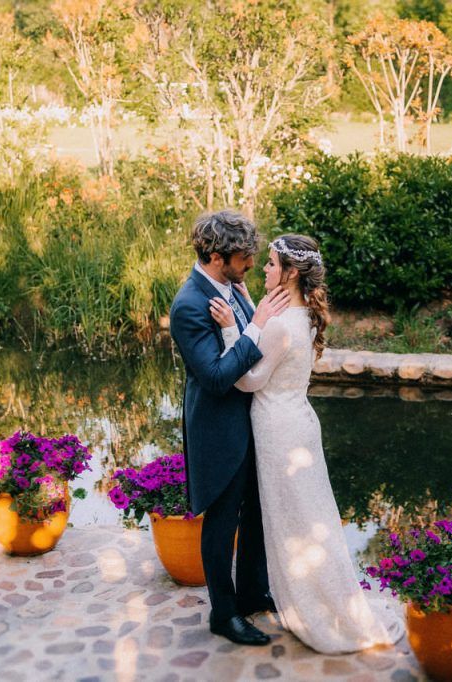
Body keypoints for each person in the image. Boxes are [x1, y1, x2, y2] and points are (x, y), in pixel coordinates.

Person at [210, 233, 405, 654]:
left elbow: (249, 379)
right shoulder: (306, 317)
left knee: (290, 522)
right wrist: (251, 315)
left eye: (272, 264)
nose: (263, 268)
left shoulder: (280, 324)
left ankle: (317, 610)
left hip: (277, 429)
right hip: (299, 422)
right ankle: (319, 597)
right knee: (310, 515)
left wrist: (231, 330)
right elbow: (270, 353)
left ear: (291, 273)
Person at [168, 210, 290, 646]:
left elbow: (250, 351)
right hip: (219, 429)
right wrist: (254, 328)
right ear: (218, 257)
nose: (251, 266)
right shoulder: (188, 306)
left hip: (254, 421)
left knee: (256, 510)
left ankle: (253, 593)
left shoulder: (231, 287)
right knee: (222, 525)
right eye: (243, 258)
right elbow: (218, 378)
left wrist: (252, 322)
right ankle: (223, 613)